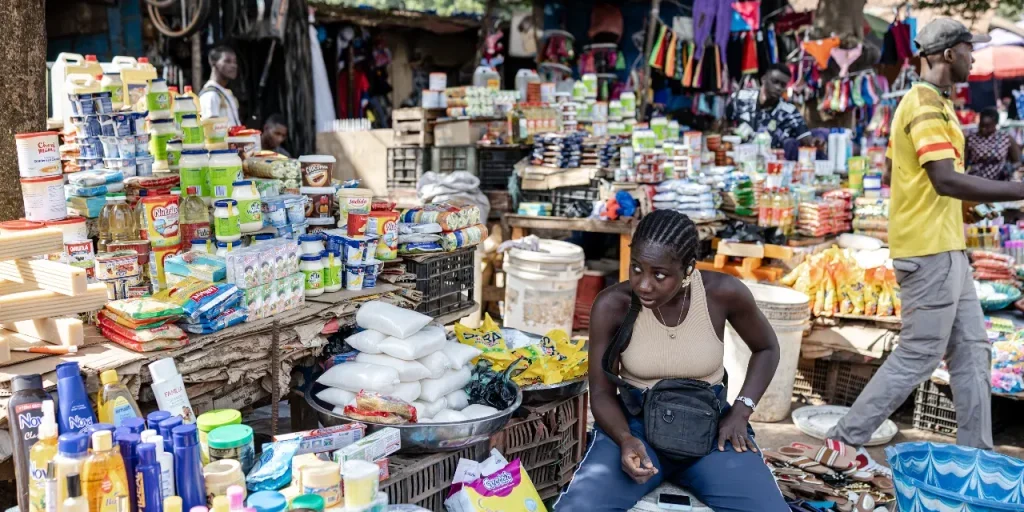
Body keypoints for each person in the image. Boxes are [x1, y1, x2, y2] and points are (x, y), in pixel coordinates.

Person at [828, 19, 1024, 460]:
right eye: (970, 49)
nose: (975, 58)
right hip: (928, 252)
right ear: (949, 53)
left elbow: (933, 185)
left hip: (948, 249)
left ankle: (979, 457)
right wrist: (1016, 190)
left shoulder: (938, 103)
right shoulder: (923, 105)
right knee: (918, 354)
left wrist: (984, 206)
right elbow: (943, 180)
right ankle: (843, 439)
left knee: (974, 352)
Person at [555, 210, 788, 512]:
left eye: (659, 274)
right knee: (579, 509)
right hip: (636, 428)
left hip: (711, 429)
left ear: (689, 268)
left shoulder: (722, 293)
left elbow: (767, 348)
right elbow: (600, 393)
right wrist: (624, 438)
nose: (644, 285)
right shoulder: (613, 305)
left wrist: (741, 411)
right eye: (636, 268)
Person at [726, 63, 818, 151]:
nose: (778, 88)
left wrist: (815, 142)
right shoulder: (740, 98)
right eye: (775, 82)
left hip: (771, 162)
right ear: (763, 79)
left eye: (783, 85)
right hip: (737, 157)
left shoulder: (789, 111)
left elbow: (805, 137)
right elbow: (724, 126)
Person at [966, 107, 1020, 181]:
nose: (983, 129)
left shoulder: (1005, 138)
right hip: (977, 181)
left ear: (995, 124)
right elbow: (963, 162)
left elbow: (1018, 161)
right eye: (981, 125)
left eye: (987, 126)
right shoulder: (971, 138)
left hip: (1000, 181)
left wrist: (1009, 169)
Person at [200, 45, 242, 127]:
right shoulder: (210, 95)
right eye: (227, 61)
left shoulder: (225, 93)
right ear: (214, 63)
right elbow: (211, 130)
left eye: (235, 62)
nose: (234, 66)